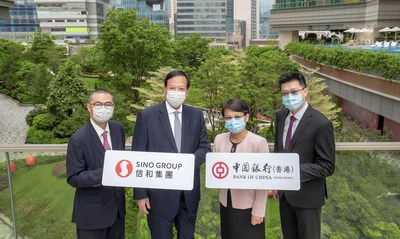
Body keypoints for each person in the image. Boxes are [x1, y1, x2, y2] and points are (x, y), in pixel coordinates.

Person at [131, 70, 211, 239]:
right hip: (158, 197)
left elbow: (204, 147)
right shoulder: (147, 116)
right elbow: (138, 156)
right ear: (165, 90)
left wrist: (185, 164)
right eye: (172, 88)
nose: (177, 92)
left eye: (181, 89)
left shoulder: (196, 115)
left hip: (188, 196)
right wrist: (140, 194)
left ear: (187, 92)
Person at [273, 72, 335, 239]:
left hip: (308, 197)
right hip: (285, 195)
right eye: (285, 93)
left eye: (294, 92)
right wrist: (278, 183)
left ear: (305, 92)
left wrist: (293, 171)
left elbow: (327, 166)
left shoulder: (321, 123)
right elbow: (279, 151)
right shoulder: (280, 116)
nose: (289, 96)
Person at [66, 89, 126, 239]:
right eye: (98, 104)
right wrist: (108, 171)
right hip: (92, 215)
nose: (104, 108)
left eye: (108, 104)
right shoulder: (78, 139)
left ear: (113, 106)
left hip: (117, 213)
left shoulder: (118, 129)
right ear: (89, 107)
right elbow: (74, 178)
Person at [214, 98, 269, 239]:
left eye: (237, 117)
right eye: (228, 118)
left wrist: (259, 210)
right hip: (226, 203)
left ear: (246, 117)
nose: (233, 121)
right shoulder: (219, 139)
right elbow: (214, 171)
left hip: (249, 206)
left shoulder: (258, 142)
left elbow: (264, 181)